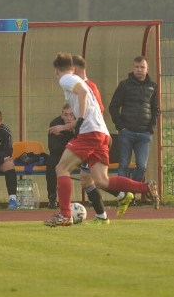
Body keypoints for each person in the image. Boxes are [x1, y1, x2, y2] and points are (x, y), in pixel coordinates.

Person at [45, 52, 159, 227]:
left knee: (61, 168)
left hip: (89, 132)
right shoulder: (87, 84)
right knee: (101, 181)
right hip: (101, 133)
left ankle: (65, 214)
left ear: (56, 70)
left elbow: (82, 93)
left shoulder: (66, 78)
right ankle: (145, 187)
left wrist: (80, 120)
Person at [72, 54, 135, 218]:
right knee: (88, 179)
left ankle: (130, 193)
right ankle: (116, 202)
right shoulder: (84, 86)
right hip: (91, 136)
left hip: (93, 138)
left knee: (95, 179)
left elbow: (96, 112)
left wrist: (71, 124)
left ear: (76, 69)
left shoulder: (86, 87)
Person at [109, 55, 160, 189]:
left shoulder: (153, 86)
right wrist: (121, 127)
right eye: (137, 67)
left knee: (142, 166)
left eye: (142, 67)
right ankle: (122, 196)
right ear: (133, 68)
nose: (139, 70)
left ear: (147, 69)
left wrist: (151, 127)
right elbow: (113, 107)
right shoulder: (124, 85)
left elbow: (156, 109)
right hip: (126, 132)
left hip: (144, 134)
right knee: (123, 165)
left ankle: (131, 192)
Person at [46, 103, 76, 209]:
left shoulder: (81, 123)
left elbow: (83, 143)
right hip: (60, 154)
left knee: (90, 160)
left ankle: (91, 198)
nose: (68, 118)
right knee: (51, 161)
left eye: (71, 115)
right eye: (66, 115)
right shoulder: (55, 124)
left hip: (78, 154)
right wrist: (68, 135)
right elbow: (53, 148)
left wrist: (70, 132)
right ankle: (52, 197)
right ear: (62, 115)